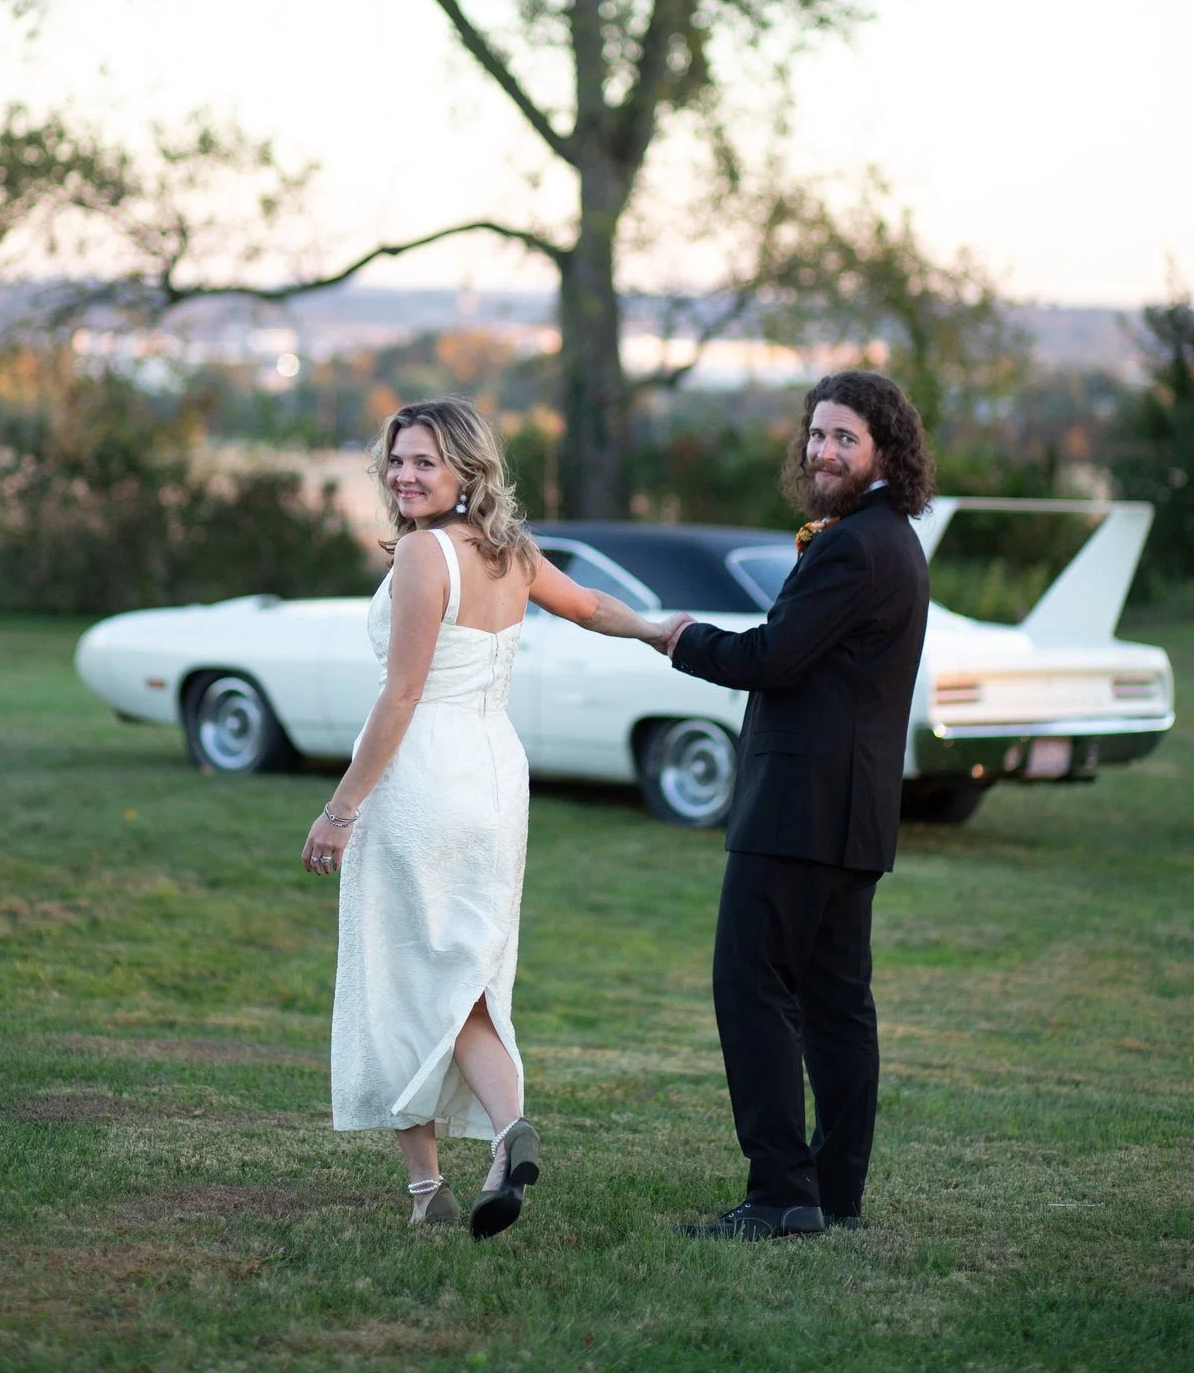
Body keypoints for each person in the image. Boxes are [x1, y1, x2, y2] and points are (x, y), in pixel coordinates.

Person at [303, 398, 684, 1239]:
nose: (404, 475)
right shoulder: (506, 549)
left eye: (425, 462)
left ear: (466, 471)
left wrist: (340, 809)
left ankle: (426, 1189)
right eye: (397, 459)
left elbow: (402, 694)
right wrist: (655, 631)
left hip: (421, 777)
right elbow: (588, 606)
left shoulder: (423, 553)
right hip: (493, 777)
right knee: (465, 972)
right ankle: (509, 1133)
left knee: (399, 975)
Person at [661, 370, 934, 1241]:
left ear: (884, 450)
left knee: (751, 988)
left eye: (844, 437)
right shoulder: (892, 540)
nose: (822, 451)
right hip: (852, 814)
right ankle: (833, 1191)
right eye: (816, 434)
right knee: (835, 1003)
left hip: (797, 809)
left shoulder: (854, 546)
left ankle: (782, 1191)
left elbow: (772, 658)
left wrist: (674, 636)